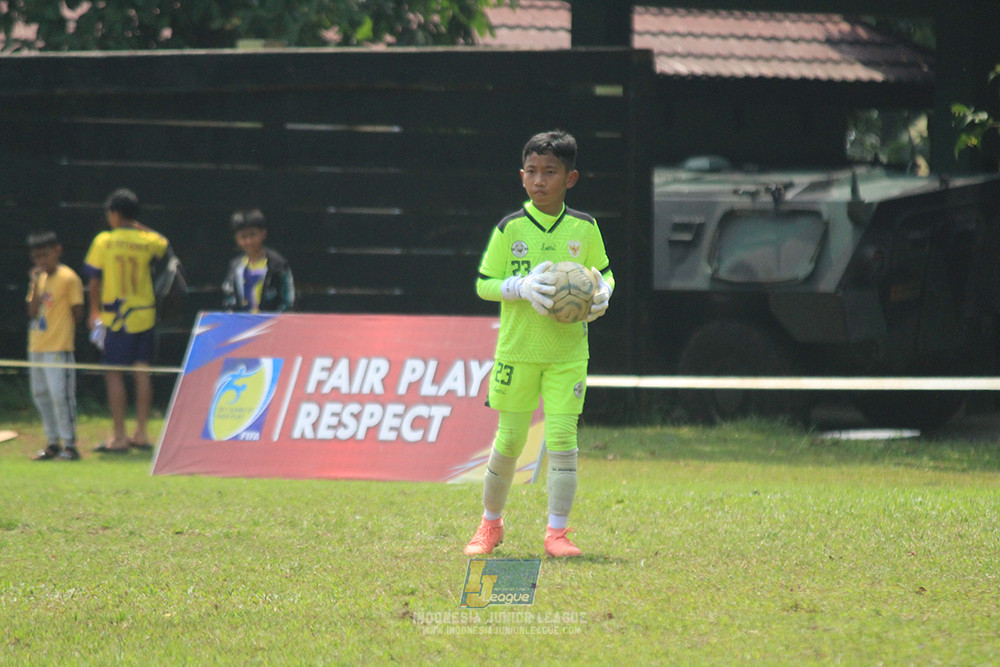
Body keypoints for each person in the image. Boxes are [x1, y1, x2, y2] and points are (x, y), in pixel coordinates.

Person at [464, 130, 614, 558]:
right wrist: (519, 286)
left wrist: (604, 293)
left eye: (550, 172)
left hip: (567, 353)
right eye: (532, 172)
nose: (539, 180)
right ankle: (489, 525)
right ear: (521, 176)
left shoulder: (584, 228)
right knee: (510, 441)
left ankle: (557, 534)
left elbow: (604, 271)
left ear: (571, 178)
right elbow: (483, 285)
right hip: (517, 351)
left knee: (564, 438)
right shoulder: (509, 228)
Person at [83, 188, 169, 453]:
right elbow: (164, 243)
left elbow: (94, 279)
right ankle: (142, 432)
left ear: (115, 214)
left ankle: (119, 436)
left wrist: (93, 312)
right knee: (142, 370)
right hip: (145, 314)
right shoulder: (147, 240)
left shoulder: (104, 240)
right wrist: (138, 226)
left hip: (116, 317)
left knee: (114, 372)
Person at [26, 231, 85, 461]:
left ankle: (70, 444)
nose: (41, 261)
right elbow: (32, 312)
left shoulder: (68, 278)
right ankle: (52, 442)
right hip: (37, 346)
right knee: (40, 394)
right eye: (37, 257)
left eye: (45, 255)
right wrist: (34, 283)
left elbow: (77, 312)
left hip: (59, 347)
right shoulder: (39, 279)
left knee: (61, 395)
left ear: (57, 251)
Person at [221, 209, 295, 313]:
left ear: (263, 234)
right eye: (243, 236)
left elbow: (288, 300)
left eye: (252, 235)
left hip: (271, 324)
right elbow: (229, 296)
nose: (248, 241)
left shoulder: (278, 264)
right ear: (236, 239)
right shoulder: (235, 266)